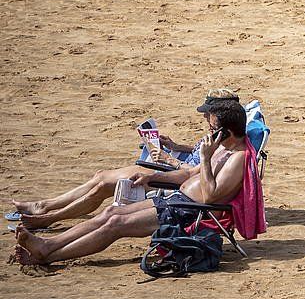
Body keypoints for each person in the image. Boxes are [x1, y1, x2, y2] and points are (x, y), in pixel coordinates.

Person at [9, 99, 250, 267]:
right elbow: (188, 175)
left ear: (226, 133)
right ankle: (48, 244)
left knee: (116, 224)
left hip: (189, 212)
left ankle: (48, 255)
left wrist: (206, 157)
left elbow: (210, 195)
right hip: (177, 200)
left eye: (212, 129)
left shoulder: (237, 159)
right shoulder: (222, 150)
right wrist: (154, 177)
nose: (208, 134)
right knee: (111, 211)